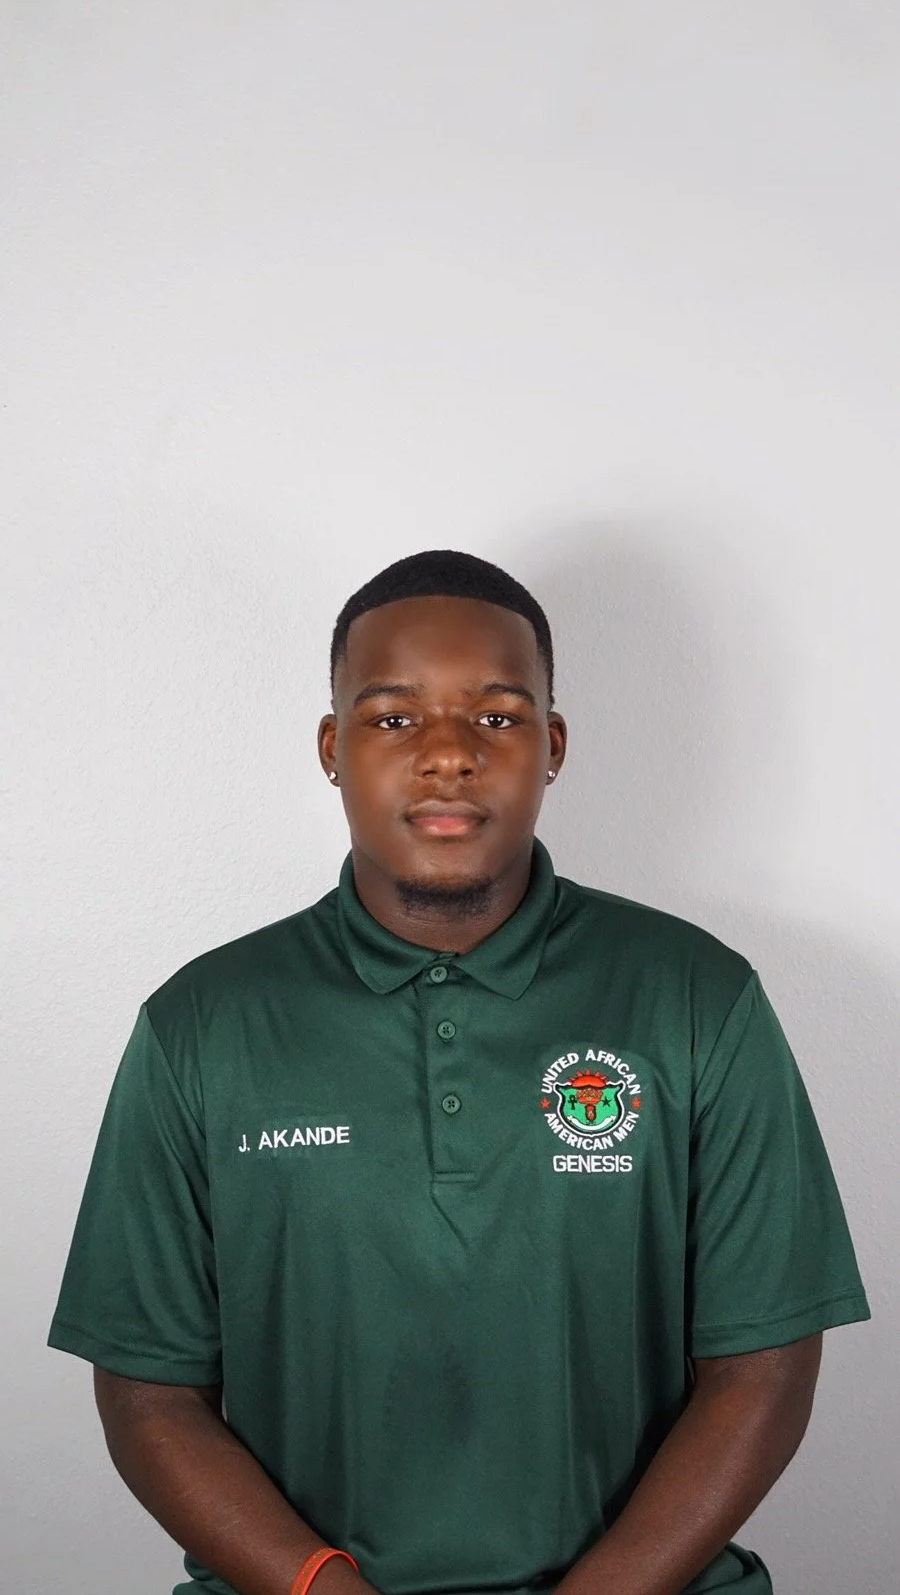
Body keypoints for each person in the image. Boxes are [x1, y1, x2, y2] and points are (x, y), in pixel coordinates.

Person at [48, 548, 870, 1595]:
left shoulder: (699, 998)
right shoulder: (200, 1025)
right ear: (331, 747)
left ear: (553, 745)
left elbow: (763, 1372)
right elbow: (149, 1397)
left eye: (495, 717)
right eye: (393, 718)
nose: (447, 756)